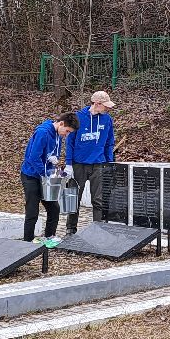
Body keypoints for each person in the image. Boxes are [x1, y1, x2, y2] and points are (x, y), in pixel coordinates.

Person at [20, 112, 80, 242]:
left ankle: (49, 236)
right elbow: (33, 158)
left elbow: (51, 155)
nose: (67, 134)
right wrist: (46, 173)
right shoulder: (43, 132)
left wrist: (57, 170)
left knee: (54, 208)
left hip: (45, 175)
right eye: (67, 131)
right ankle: (27, 241)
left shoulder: (58, 135)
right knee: (32, 210)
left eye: (70, 133)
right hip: (31, 175)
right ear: (61, 123)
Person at [67, 90, 117, 234]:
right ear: (97, 104)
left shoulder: (107, 119)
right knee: (74, 198)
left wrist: (110, 162)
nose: (108, 108)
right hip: (79, 164)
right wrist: (69, 163)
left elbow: (109, 142)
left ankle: (98, 229)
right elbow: (70, 142)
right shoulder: (78, 117)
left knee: (99, 199)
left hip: (98, 163)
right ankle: (71, 229)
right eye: (105, 106)